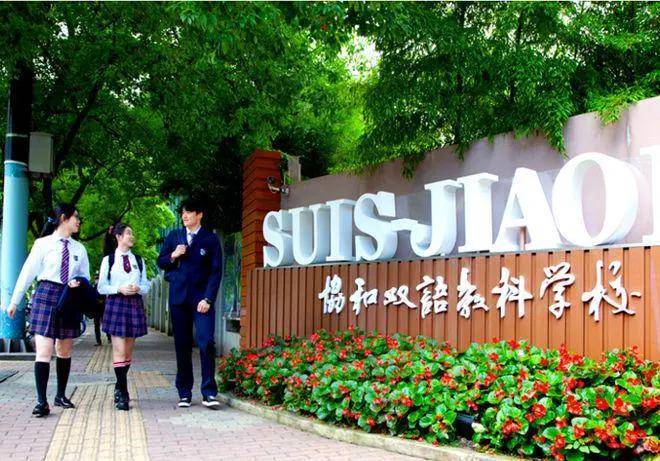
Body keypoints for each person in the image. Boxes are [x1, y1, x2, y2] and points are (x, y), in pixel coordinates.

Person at [5, 203, 90, 417]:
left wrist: (79, 283)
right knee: (44, 350)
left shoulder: (79, 249)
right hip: (45, 295)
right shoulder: (42, 244)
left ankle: (60, 395)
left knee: (64, 349)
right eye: (76, 217)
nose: (78, 221)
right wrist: (14, 301)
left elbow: (86, 277)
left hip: (69, 296)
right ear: (64, 218)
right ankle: (41, 401)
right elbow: (27, 273)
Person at [157, 197, 222, 409]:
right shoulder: (174, 236)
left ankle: (209, 392)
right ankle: (184, 392)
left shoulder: (210, 239)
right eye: (183, 212)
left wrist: (208, 298)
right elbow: (161, 261)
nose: (184, 216)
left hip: (202, 300)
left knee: (206, 342)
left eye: (189, 212)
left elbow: (216, 272)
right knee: (182, 346)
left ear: (199, 214)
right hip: (179, 299)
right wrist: (174, 255)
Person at [97, 223, 149, 411]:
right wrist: (118, 288)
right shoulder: (109, 260)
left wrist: (138, 288)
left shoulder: (139, 260)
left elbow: (146, 285)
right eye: (128, 233)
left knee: (127, 352)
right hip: (116, 304)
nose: (131, 236)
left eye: (131, 233)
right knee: (119, 351)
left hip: (134, 304)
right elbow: (101, 287)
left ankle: (119, 387)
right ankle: (124, 393)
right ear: (118, 237)